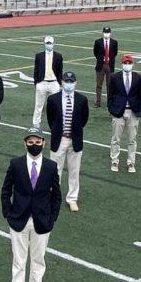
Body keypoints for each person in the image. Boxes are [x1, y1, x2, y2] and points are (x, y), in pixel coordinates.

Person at [0, 128, 61, 282]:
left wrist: (52, 218)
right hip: (18, 220)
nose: (34, 145)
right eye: (30, 142)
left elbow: (57, 196)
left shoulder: (51, 166)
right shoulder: (15, 164)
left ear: (44, 143)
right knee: (19, 260)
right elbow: (5, 191)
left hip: (42, 222)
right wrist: (8, 214)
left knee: (38, 260)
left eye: (37, 142)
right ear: (24, 143)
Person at [46, 71, 89, 212]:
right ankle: (54, 197)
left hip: (75, 140)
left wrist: (74, 132)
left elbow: (84, 119)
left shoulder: (82, 99)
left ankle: (72, 198)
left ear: (75, 83)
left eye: (71, 82)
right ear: (61, 82)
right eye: (66, 81)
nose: (69, 84)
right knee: (55, 171)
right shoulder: (53, 99)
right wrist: (59, 132)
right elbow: (50, 119)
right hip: (60, 139)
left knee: (74, 171)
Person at [107, 54, 141, 173]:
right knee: (115, 138)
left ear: (132, 64)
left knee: (132, 139)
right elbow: (110, 95)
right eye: (125, 63)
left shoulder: (138, 78)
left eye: (129, 63)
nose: (127, 65)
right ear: (122, 64)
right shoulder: (114, 77)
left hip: (133, 112)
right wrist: (111, 109)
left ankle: (131, 162)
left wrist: (140, 110)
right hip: (118, 111)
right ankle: (114, 160)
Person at [31, 35, 63, 127]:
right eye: (47, 43)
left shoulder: (58, 56)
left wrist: (58, 83)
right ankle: (36, 124)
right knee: (38, 105)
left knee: (55, 106)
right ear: (44, 44)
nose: (49, 45)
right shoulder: (39, 56)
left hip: (54, 83)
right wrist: (36, 83)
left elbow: (60, 70)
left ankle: (54, 124)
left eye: (50, 43)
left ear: (54, 44)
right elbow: (36, 70)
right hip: (42, 83)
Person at [93, 26, 118, 107]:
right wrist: (101, 59)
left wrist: (108, 60)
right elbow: (95, 52)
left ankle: (109, 102)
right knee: (99, 85)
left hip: (110, 65)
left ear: (110, 33)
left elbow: (115, 53)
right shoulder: (98, 42)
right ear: (102, 32)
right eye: (105, 32)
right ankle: (98, 102)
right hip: (101, 65)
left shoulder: (114, 42)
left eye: (107, 32)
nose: (106, 34)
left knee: (109, 85)